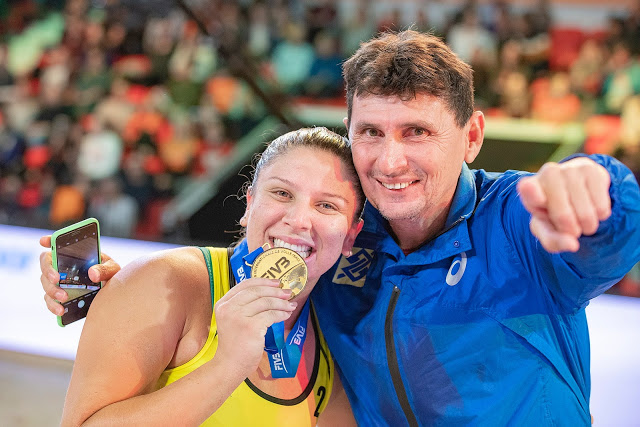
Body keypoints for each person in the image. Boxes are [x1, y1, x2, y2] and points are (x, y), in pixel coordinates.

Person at [41, 31, 640, 425]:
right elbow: (265, 255)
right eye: (370, 133)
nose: (389, 160)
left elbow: (609, 237)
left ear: (474, 137)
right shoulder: (351, 234)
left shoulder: (516, 222)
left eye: (417, 132)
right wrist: (117, 289)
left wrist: (601, 190)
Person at [40, 127, 364, 426]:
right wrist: (227, 365)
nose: (298, 219)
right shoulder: (169, 281)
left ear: (351, 235)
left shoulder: (337, 337)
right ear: (249, 205)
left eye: (326, 206)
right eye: (281, 193)